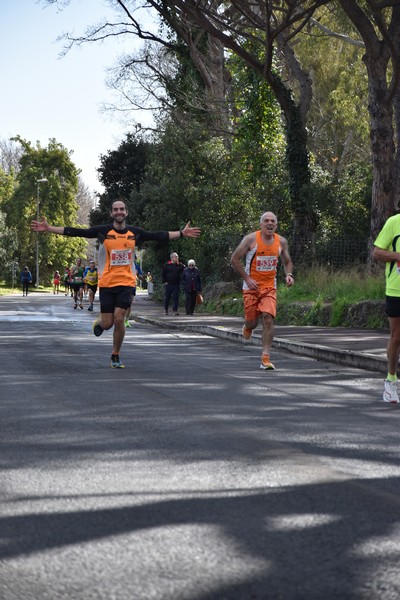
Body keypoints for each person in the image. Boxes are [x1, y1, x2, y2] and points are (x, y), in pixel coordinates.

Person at [30, 199, 201, 368]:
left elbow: (158, 235)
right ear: (111, 213)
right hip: (106, 284)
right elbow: (77, 232)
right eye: (115, 209)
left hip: (126, 282)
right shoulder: (103, 231)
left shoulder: (134, 232)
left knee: (120, 319)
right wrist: (49, 228)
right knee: (107, 324)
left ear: (126, 212)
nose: (119, 212)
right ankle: (100, 322)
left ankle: (115, 354)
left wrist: (181, 233)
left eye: (122, 209)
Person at [231, 211, 294, 370]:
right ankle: (248, 327)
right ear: (261, 224)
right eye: (266, 221)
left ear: (276, 225)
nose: (270, 223)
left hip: (269, 287)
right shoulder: (251, 239)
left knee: (268, 318)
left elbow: (287, 262)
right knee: (252, 322)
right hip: (251, 287)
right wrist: (247, 278)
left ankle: (265, 357)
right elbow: (234, 259)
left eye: (273, 221)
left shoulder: (281, 242)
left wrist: (289, 275)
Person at [372, 214, 400, 403]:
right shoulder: (394, 222)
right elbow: (377, 253)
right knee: (397, 336)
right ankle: (391, 380)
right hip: (396, 290)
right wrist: (398, 255)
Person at [125, 260, 143, 328]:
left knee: (129, 304)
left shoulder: (137, 266)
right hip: (124, 286)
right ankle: (120, 318)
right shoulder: (124, 265)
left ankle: (126, 320)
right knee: (122, 303)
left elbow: (141, 277)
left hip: (132, 286)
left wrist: (138, 274)